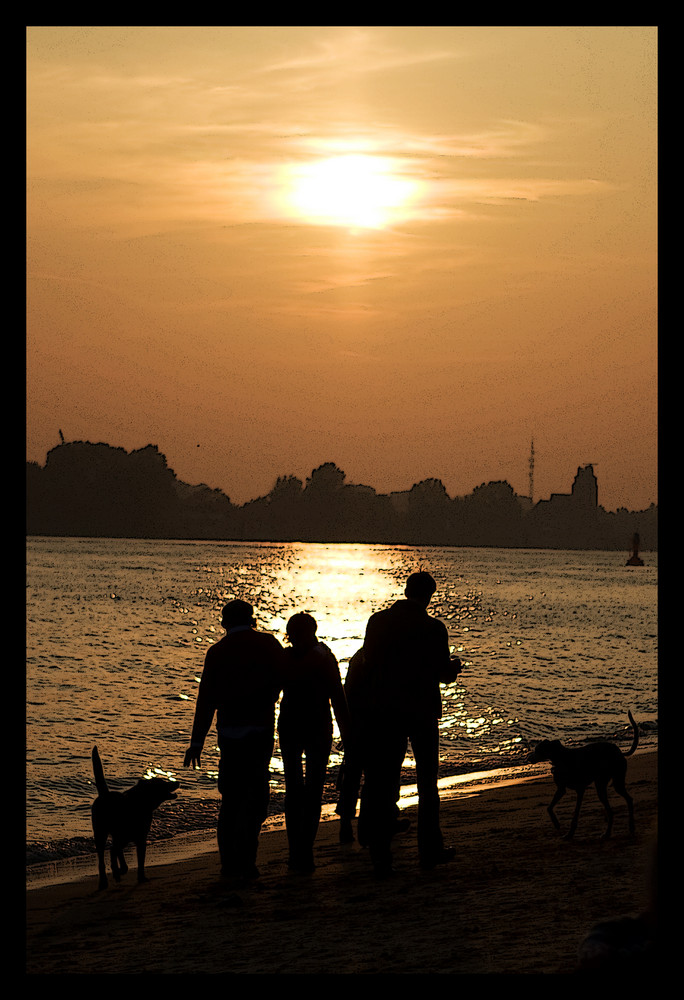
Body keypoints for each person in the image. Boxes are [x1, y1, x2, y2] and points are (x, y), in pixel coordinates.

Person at [358, 571, 462, 876]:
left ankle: (381, 854)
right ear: (430, 596)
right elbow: (443, 673)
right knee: (427, 782)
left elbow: (367, 662)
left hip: (384, 711)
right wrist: (453, 668)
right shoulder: (433, 628)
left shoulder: (377, 621)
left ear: (405, 590)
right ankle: (429, 850)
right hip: (421, 711)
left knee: (381, 780)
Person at [183, 599, 286, 884]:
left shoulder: (217, 652)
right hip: (262, 733)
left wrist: (196, 742)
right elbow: (283, 682)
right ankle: (249, 859)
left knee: (230, 800)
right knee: (256, 797)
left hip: (230, 736)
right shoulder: (269, 644)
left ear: (224, 622)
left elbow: (206, 700)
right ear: (252, 619)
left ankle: (229, 862)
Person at [278, 612, 350, 873]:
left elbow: (272, 692)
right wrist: (348, 734)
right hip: (317, 725)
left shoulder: (285, 658)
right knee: (312, 790)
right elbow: (338, 698)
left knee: (294, 789)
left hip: (290, 725)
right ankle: (303, 851)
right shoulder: (324, 658)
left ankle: (296, 851)